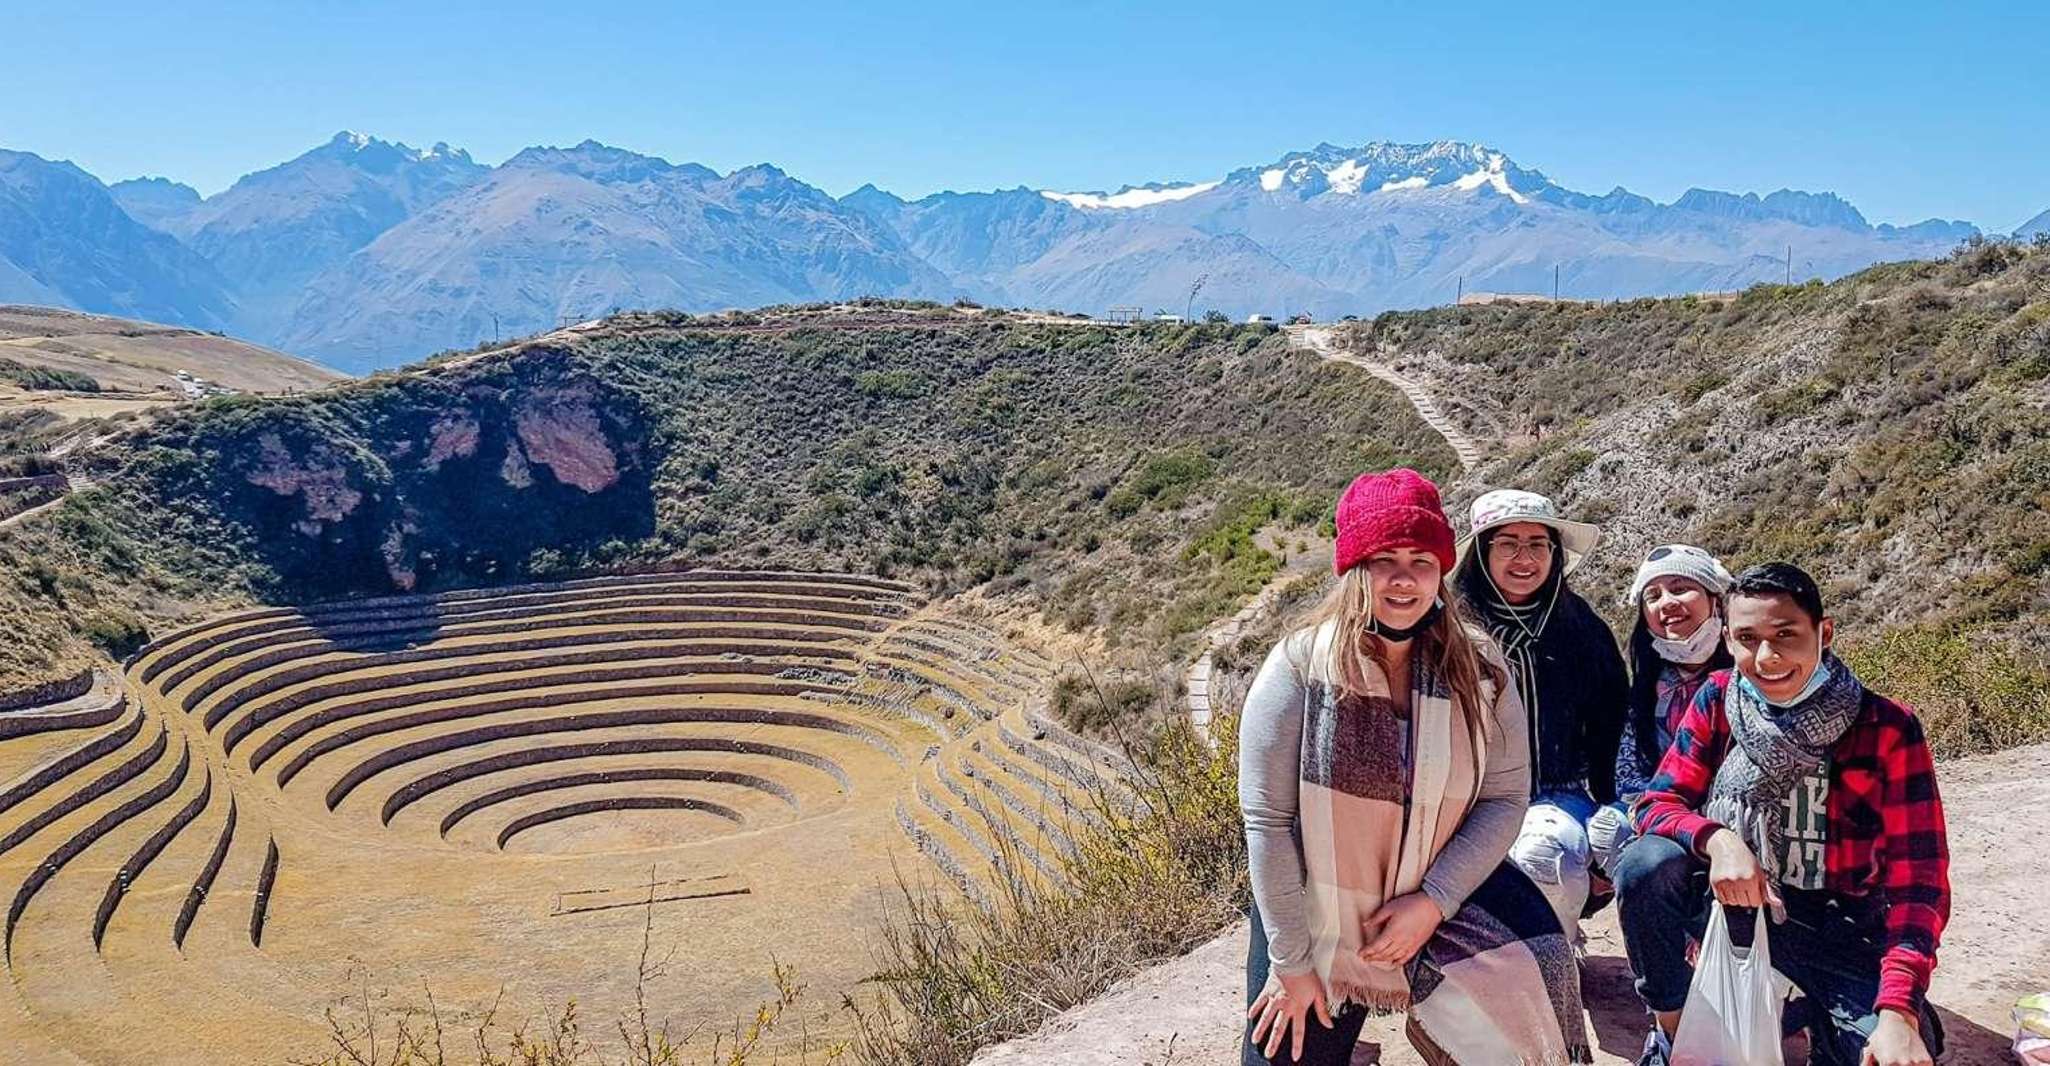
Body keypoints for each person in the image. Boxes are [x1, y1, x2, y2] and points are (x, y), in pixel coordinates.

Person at [1239, 468, 1589, 1066]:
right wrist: (1291, 964)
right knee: (1284, 1049)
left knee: (1544, 966)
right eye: (1384, 559)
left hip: (1444, 874)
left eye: (1422, 560)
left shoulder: (1478, 666)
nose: (1405, 580)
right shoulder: (1301, 665)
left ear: (1442, 569)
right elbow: (1269, 823)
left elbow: (1505, 798)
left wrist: (1432, 901)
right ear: (1353, 568)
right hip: (1322, 902)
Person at [1615, 562, 1950, 1066]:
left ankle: (1818, 1011)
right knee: (1645, 865)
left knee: (1887, 1050)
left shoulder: (1885, 727)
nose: (1767, 657)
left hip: (1842, 927)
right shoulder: (1718, 700)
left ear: (1825, 632)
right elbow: (1656, 803)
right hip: (1735, 907)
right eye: (1748, 638)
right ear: (1728, 639)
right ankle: (1674, 1028)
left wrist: (1899, 1010)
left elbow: (1919, 881)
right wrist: (1718, 840)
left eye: (1786, 635)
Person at [1452, 489, 1628, 934]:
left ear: (1555, 553)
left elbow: (1613, 724)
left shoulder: (1581, 627)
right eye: (1507, 543)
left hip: (1558, 793)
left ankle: (1555, 953)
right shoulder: (1451, 630)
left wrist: (1611, 808)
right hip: (1467, 801)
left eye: (1537, 544)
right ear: (1482, 552)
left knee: (1554, 853)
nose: (1524, 558)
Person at [1586, 545, 1735, 876]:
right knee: (1610, 829)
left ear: (1716, 599)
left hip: (1740, 813)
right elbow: (1631, 777)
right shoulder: (1647, 689)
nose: (1667, 603)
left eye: (1681, 588)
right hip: (1670, 815)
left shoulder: (1750, 674)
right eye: (1652, 596)